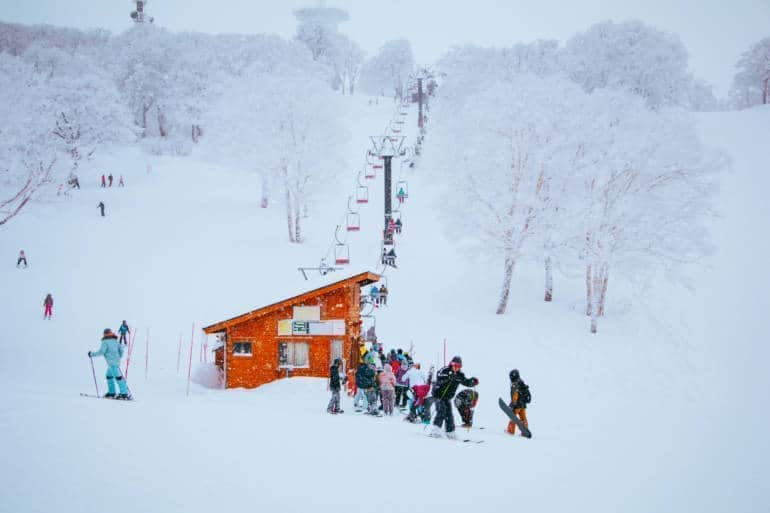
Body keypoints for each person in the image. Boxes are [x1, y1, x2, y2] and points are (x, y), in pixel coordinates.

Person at [430, 356, 478, 438]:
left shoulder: (460, 375)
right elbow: (439, 375)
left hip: (447, 398)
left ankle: (450, 432)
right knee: (441, 411)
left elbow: (466, 382)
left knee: (449, 414)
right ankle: (436, 430)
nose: (456, 368)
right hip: (438, 395)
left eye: (459, 366)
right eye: (455, 365)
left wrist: (472, 382)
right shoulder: (445, 370)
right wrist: (448, 377)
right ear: (451, 364)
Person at [88, 328, 131, 399]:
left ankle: (124, 394)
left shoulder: (105, 342)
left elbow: (101, 352)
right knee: (109, 376)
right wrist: (118, 357)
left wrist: (92, 354)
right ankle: (112, 392)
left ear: (105, 334)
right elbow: (121, 350)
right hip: (115, 362)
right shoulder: (115, 341)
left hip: (112, 363)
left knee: (118, 377)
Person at [507, 369, 531, 436]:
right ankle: (525, 431)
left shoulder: (515, 384)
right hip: (523, 405)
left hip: (517, 405)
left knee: (513, 418)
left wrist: (512, 404)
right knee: (523, 418)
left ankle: (510, 431)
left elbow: (515, 394)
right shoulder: (521, 382)